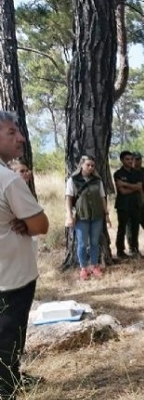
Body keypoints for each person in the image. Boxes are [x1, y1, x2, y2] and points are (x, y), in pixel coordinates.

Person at [0, 111, 49, 400]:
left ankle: (12, 377)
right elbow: (41, 224)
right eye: (11, 132)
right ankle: (7, 389)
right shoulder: (8, 180)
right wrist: (27, 221)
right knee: (9, 341)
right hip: (13, 278)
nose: (21, 138)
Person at [65, 155, 111, 280]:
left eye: (92, 165)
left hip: (97, 216)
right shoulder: (73, 180)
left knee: (95, 242)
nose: (90, 167)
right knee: (82, 244)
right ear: (81, 165)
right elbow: (68, 198)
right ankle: (84, 268)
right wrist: (69, 215)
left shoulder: (98, 180)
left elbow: (102, 198)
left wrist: (106, 215)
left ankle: (95, 266)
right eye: (88, 165)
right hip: (81, 216)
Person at [113, 151, 142, 258]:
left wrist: (125, 184)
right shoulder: (118, 174)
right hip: (123, 205)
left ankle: (134, 249)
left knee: (135, 228)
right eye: (127, 159)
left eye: (131, 159)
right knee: (122, 228)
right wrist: (134, 187)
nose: (130, 161)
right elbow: (122, 192)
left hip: (135, 204)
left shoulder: (137, 172)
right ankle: (120, 251)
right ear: (122, 160)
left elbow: (139, 187)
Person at [8, 159, 38, 258]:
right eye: (21, 171)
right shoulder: (10, 190)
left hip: (30, 233)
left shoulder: (25, 188)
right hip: (15, 235)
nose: (26, 173)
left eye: (26, 171)